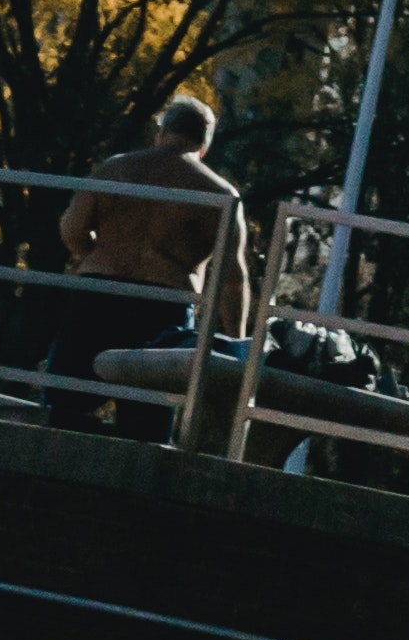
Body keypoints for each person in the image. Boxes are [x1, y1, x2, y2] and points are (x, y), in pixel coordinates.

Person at [41, 90, 254, 433]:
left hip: (97, 296)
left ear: (161, 133)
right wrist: (236, 344)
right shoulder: (219, 196)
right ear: (204, 147)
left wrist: (95, 257)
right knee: (146, 429)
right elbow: (232, 279)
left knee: (62, 413)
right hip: (163, 307)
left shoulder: (114, 169)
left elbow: (71, 228)